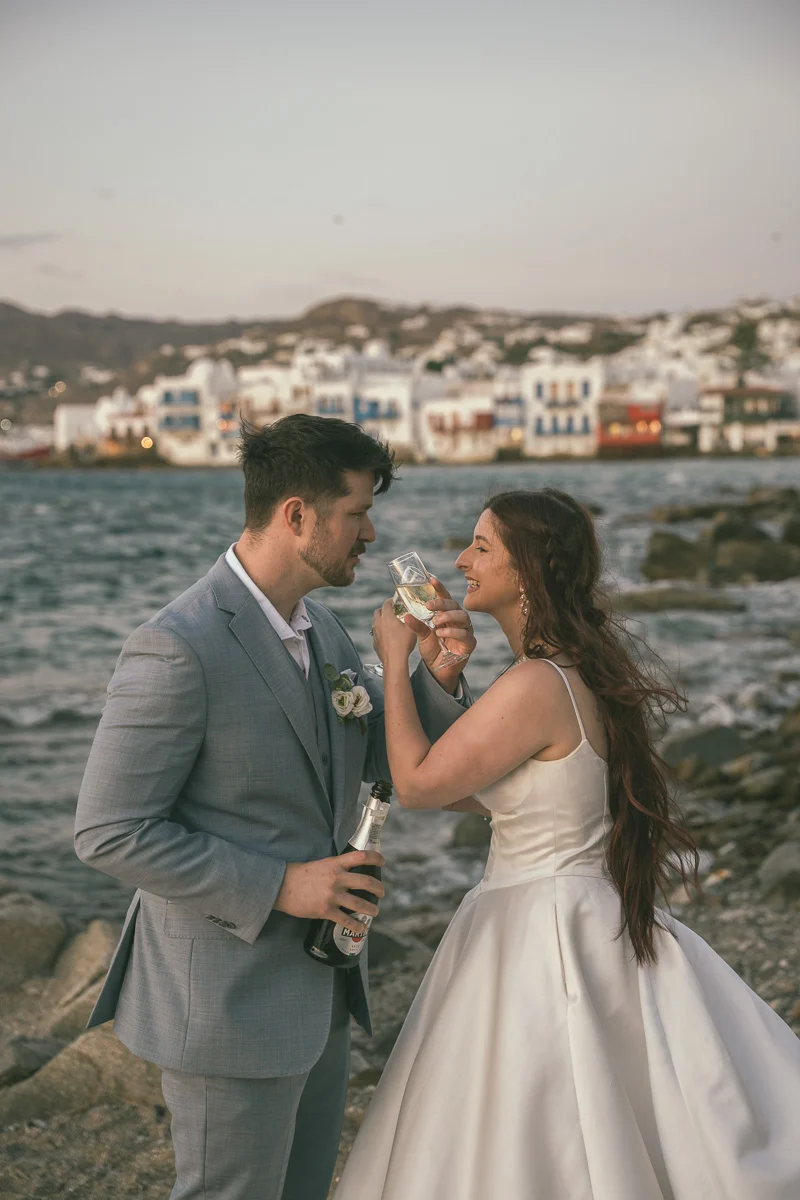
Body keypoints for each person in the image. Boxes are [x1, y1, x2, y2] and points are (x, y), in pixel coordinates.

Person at [336, 487, 800, 1200]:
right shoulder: (564, 673)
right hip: (569, 910)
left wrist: (393, 660)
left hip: (540, 929)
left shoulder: (536, 682)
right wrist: (445, 678)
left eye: (482, 546)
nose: (460, 559)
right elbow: (474, 787)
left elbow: (421, 785)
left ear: (527, 570)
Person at [74, 414, 476, 1200]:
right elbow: (107, 832)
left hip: (321, 985)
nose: (370, 534)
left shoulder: (321, 629)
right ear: (298, 515)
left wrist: (438, 675)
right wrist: (284, 886)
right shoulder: (177, 647)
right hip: (224, 1002)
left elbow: (384, 757)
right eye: (357, 513)